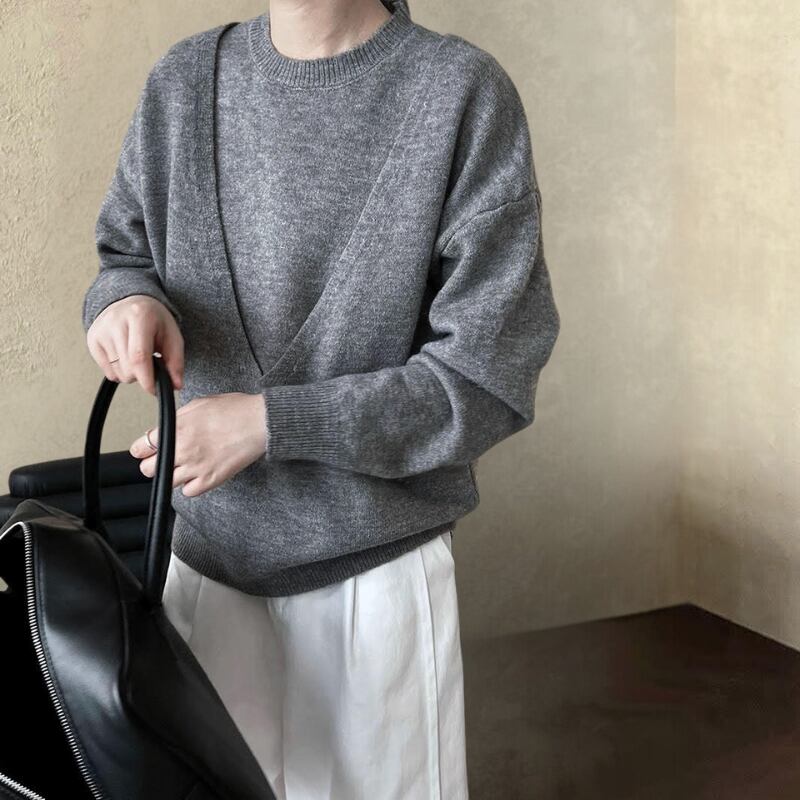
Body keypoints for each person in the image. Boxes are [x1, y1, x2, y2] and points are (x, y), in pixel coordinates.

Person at [82, 0, 560, 797]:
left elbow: (485, 379)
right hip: (202, 576)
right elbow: (124, 256)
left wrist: (273, 424)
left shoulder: (459, 94)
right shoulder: (183, 84)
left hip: (376, 589)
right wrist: (127, 304)